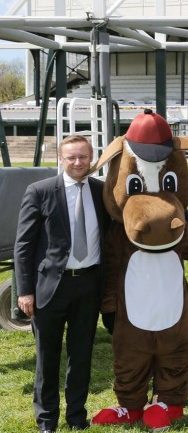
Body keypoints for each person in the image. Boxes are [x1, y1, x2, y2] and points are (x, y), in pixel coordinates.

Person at [14, 135, 106, 432]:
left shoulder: (101, 192)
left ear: (91, 157)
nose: (78, 162)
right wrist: (25, 290)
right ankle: (46, 420)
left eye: (83, 156)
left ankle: (77, 417)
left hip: (89, 285)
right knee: (47, 357)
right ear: (61, 159)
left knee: (81, 356)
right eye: (71, 157)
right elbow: (23, 246)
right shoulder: (40, 191)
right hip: (49, 288)